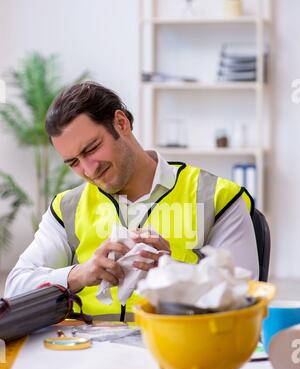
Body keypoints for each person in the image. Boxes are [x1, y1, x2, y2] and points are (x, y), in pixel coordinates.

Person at [5, 81, 259, 320]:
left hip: (178, 353)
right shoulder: (66, 208)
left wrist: (174, 273)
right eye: (73, 163)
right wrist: (82, 273)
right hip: (85, 356)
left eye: (91, 148)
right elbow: (15, 289)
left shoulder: (218, 197)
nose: (89, 171)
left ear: (121, 122)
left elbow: (244, 296)